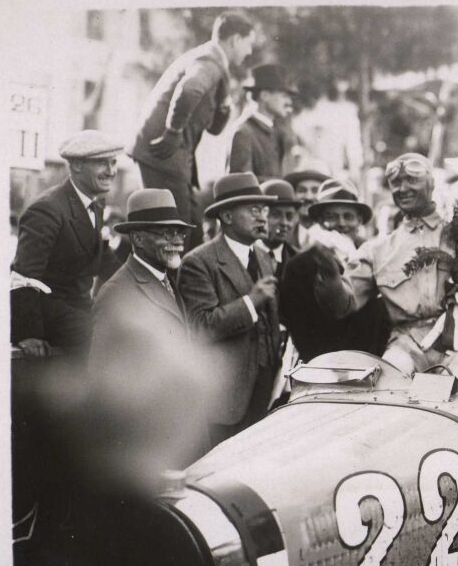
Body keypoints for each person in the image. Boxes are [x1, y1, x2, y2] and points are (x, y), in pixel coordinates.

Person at [88, 189, 209, 469]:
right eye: (167, 234)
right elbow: (103, 385)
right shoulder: (117, 292)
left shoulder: (166, 279)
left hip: (180, 437)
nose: (178, 242)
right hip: (149, 446)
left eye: (180, 233)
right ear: (139, 238)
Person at [341, 153, 458, 381]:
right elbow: (345, 304)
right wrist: (321, 261)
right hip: (407, 344)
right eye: (396, 183)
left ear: (432, 184)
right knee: (387, 388)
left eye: (412, 181)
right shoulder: (378, 250)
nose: (403, 188)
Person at [128, 12, 257, 250]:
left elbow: (215, 128)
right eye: (248, 44)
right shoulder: (210, 61)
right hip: (163, 154)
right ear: (236, 40)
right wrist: (173, 131)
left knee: (188, 230)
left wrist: (224, 103)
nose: (249, 52)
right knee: (176, 234)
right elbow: (190, 91)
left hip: (168, 156)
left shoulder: (213, 63)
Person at [177, 173, 282, 448]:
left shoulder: (263, 258)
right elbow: (201, 326)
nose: (262, 217)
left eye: (264, 210)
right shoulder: (199, 262)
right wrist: (251, 301)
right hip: (224, 400)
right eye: (253, 209)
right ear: (227, 216)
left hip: (263, 391)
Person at [11, 130, 123, 356]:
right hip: (48, 312)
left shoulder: (95, 205)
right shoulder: (48, 209)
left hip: (78, 307)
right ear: (76, 166)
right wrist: (28, 334)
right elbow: (24, 276)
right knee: (106, 340)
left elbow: (101, 255)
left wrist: (139, 286)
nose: (111, 171)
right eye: (102, 163)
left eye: (113, 162)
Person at [278, 180, 391, 362]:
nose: (341, 223)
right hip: (323, 366)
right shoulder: (299, 266)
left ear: (359, 221)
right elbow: (301, 328)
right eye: (331, 216)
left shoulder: (374, 259)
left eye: (348, 216)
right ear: (320, 222)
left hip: (371, 363)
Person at [227, 63, 297, 179]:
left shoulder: (277, 132)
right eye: (284, 96)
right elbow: (241, 185)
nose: (289, 102)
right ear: (264, 96)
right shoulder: (243, 133)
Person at [283, 163, 331, 249]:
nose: (308, 197)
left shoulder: (335, 237)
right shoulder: (284, 236)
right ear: (294, 196)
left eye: (315, 190)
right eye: (302, 190)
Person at [259, 179, 300, 273]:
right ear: (260, 216)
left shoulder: (299, 260)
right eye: (276, 215)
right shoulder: (244, 255)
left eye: (289, 216)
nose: (284, 223)